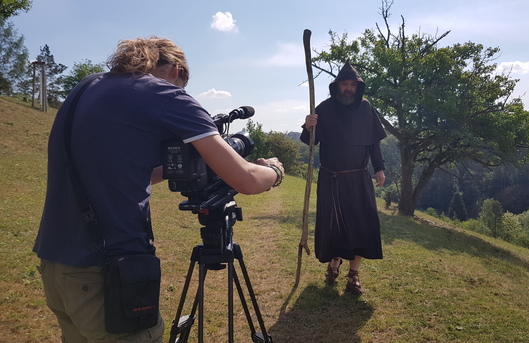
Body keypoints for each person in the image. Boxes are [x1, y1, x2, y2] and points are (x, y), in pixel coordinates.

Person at [34, 36, 284, 343]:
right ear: (177, 71)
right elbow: (246, 179)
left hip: (56, 265)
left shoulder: (86, 88)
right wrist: (274, 170)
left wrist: (183, 164)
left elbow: (131, 171)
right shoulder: (164, 94)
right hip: (106, 272)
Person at [300, 61, 386, 296]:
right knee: (334, 225)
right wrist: (308, 127)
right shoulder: (325, 109)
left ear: (358, 87)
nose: (348, 88)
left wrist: (379, 168)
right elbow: (308, 142)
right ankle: (334, 262)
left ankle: (354, 275)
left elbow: (374, 142)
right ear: (336, 86)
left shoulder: (367, 109)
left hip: (359, 178)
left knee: (360, 224)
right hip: (331, 178)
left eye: (352, 84)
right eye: (344, 84)